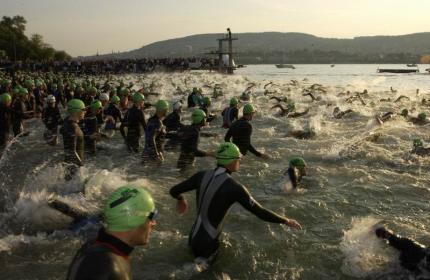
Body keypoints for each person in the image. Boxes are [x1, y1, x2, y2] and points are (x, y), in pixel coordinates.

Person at [169, 142, 301, 262]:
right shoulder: (234, 187)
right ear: (230, 161)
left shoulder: (201, 175)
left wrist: (181, 199)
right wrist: (285, 220)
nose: (239, 161)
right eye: (238, 158)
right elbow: (260, 212)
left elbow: (174, 190)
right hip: (209, 243)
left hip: (193, 237)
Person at [67, 185, 157, 280]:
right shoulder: (111, 268)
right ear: (133, 219)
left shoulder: (92, 246)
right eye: (151, 217)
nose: (154, 223)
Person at [60, 99, 86, 181]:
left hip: (69, 163)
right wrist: (81, 167)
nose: (85, 112)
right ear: (77, 111)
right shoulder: (73, 127)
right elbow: (72, 151)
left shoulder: (67, 122)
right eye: (83, 109)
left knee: (68, 185)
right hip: (74, 166)